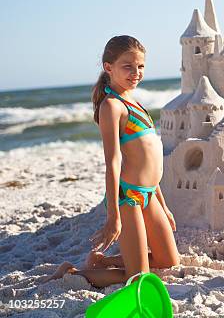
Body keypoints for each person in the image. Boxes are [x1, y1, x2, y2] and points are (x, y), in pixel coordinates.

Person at [47, 35, 179, 287]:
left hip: (149, 193)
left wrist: (163, 205)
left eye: (140, 66)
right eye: (127, 66)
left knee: (168, 262)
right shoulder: (112, 106)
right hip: (127, 197)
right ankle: (69, 273)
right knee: (138, 278)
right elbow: (113, 162)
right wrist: (113, 216)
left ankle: (104, 262)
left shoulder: (135, 101)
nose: (136, 72)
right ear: (109, 67)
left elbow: (147, 163)